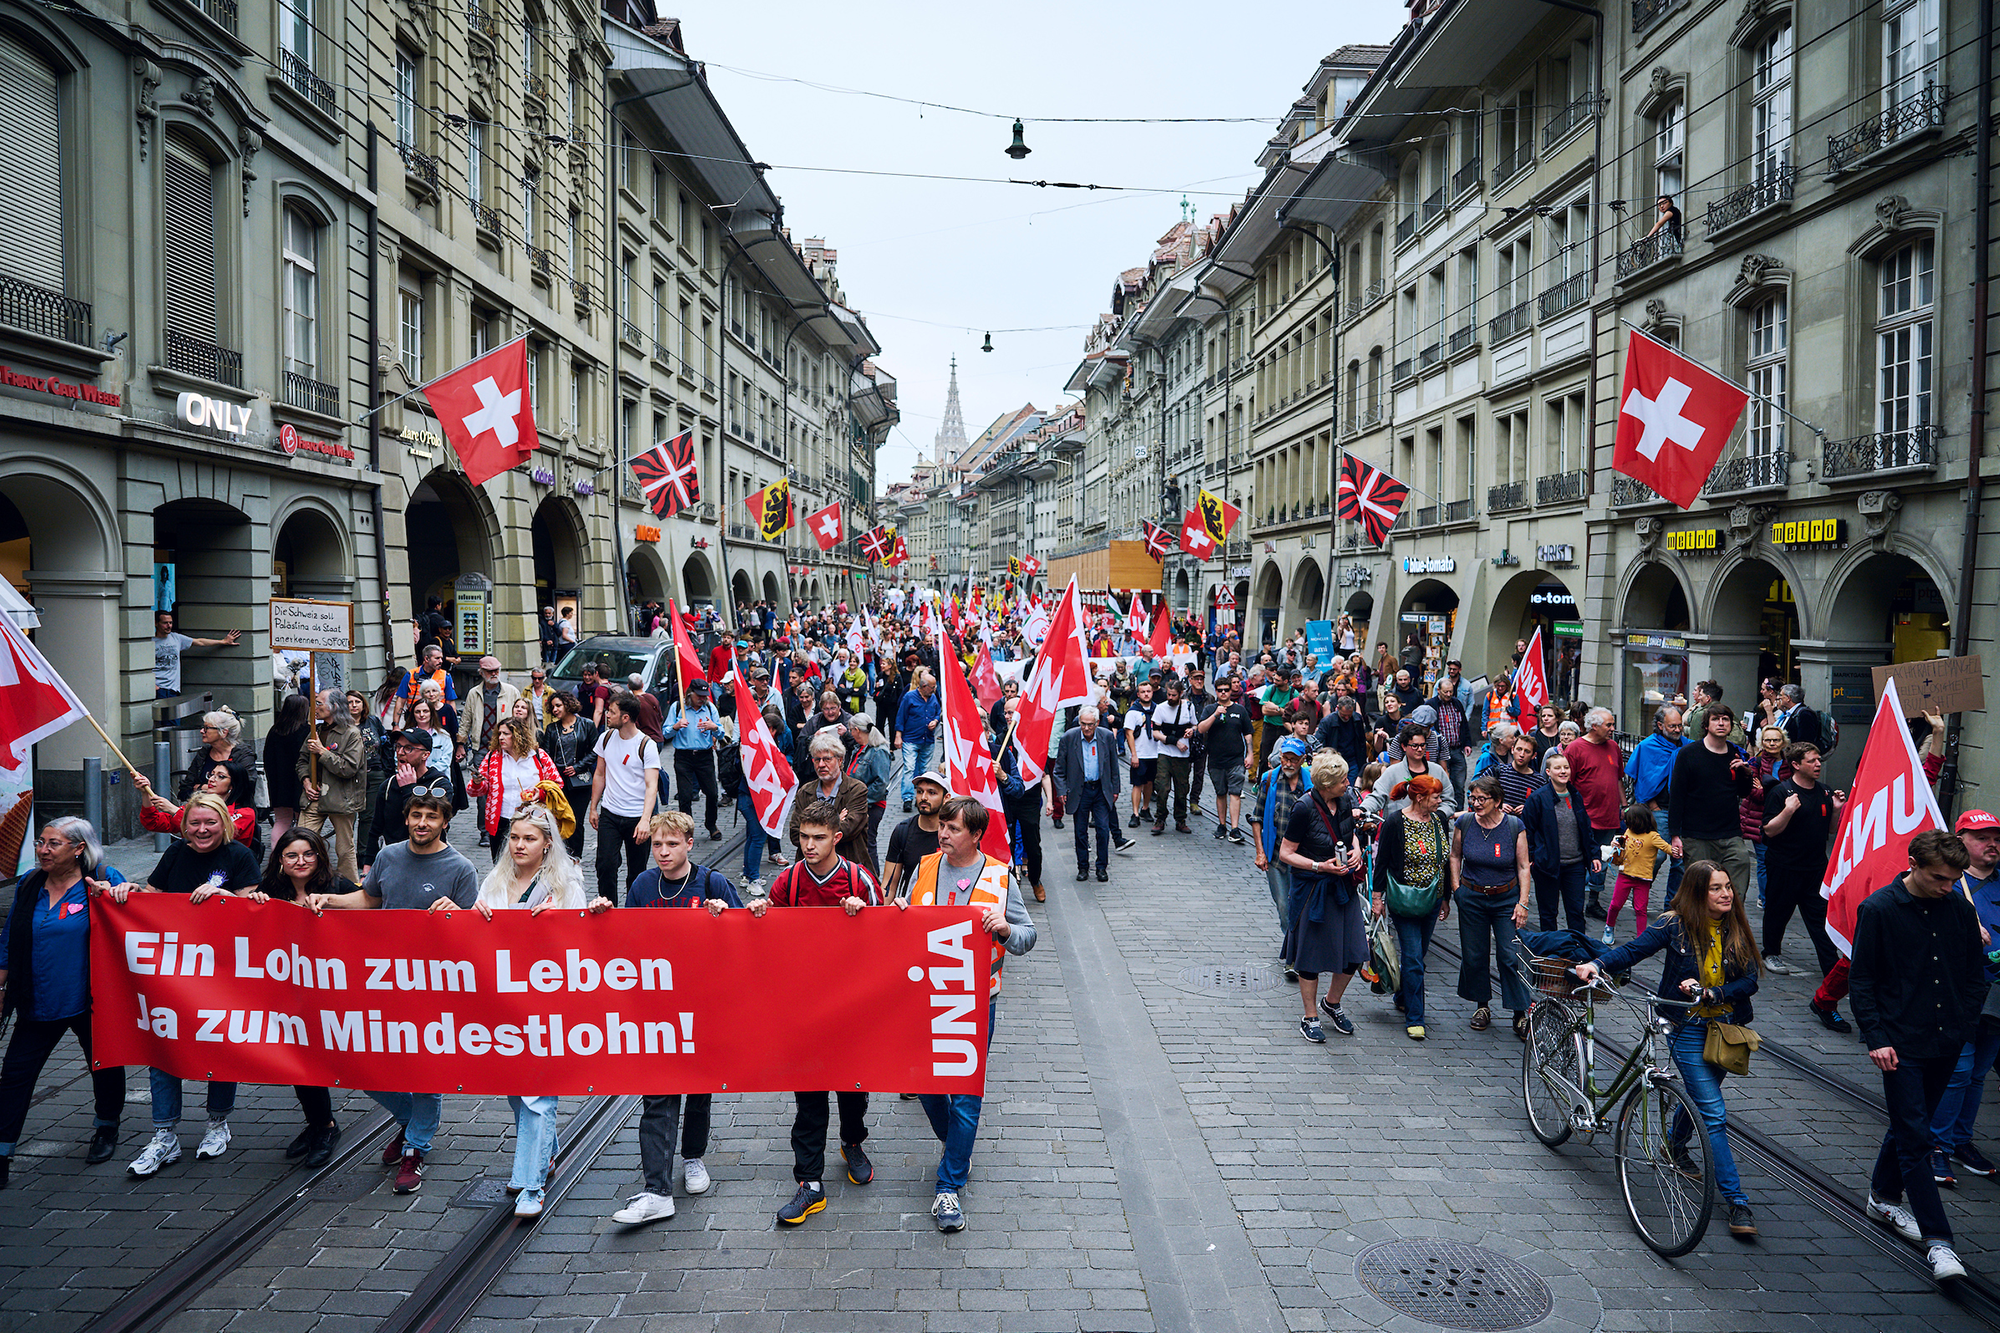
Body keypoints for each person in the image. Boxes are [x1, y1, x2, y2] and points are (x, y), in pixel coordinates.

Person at [305, 787, 480, 1194]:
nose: (423, 823)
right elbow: (370, 899)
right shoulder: (387, 855)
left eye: (431, 817)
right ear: (406, 819)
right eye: (416, 814)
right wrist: (330, 899)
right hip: (385, 980)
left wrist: (460, 915)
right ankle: (410, 1120)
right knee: (365, 1062)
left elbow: (476, 930)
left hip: (435, 987)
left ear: (445, 822)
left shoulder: (461, 868)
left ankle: (415, 1148)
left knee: (425, 1070)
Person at [1576, 861, 1762, 1240]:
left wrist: (1715, 993)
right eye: (1716, 888)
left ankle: (1675, 1144)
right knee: (1713, 1112)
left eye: (1727, 887)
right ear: (1697, 892)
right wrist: (1597, 964)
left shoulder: (1734, 926)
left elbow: (1750, 980)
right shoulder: (1674, 925)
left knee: (1701, 1097)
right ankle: (1737, 1200)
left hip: (1726, 1030)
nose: (1726, 894)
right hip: (1686, 1028)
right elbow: (1633, 950)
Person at [897, 796, 1037, 1232]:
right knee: (923, 1083)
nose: (943, 834)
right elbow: (902, 918)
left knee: (966, 1092)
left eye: (953, 828)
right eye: (942, 825)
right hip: (925, 996)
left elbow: (1027, 936)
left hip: (977, 1000)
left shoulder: (999, 875)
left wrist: (1007, 928)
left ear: (976, 835)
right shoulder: (923, 869)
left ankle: (948, 1187)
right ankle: (958, 1145)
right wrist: (899, 914)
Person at [1849, 830, 1984, 1283]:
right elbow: (1862, 980)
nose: (1948, 886)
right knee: (1916, 1139)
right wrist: (1876, 1037)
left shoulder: (1961, 911)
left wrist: (1965, 1022)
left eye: (1953, 879)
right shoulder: (1879, 910)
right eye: (1939, 878)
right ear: (1912, 864)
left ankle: (1883, 1195)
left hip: (1946, 1039)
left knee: (1914, 1122)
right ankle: (1940, 1243)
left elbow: (1971, 973)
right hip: (1900, 1043)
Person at [453, 805, 588, 1217]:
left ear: (548, 843)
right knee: (516, 1089)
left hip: (546, 1007)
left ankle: (532, 1184)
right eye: (514, 838)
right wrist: (466, 917)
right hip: (503, 1005)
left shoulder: (565, 886)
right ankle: (544, 1149)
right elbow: (477, 937)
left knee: (535, 1096)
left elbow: (582, 947)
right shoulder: (495, 880)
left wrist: (560, 923)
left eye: (529, 838)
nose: (519, 846)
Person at [753, 800, 882, 1226]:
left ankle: (853, 1141)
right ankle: (809, 1182)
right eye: (803, 837)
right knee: (808, 1099)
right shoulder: (787, 882)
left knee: (852, 1089)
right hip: (803, 1009)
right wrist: (757, 917)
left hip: (850, 1008)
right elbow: (765, 937)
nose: (809, 845)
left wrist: (865, 919)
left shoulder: (859, 879)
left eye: (818, 838)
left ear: (836, 838)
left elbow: (888, 939)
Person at [610, 813, 743, 1225]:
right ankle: (656, 1187)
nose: (663, 853)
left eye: (671, 845)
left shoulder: (711, 883)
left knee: (699, 1087)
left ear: (689, 843)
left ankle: (693, 1156)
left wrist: (725, 917)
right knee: (657, 1093)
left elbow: (746, 936)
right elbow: (627, 941)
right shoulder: (643, 886)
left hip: (703, 1005)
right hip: (658, 1008)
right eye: (657, 846)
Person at [121, 793, 263, 1177]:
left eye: (210, 823)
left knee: (219, 1045)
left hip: (223, 974)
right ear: (185, 827)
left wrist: (224, 896)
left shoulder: (239, 857)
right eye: (195, 824)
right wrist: (127, 894)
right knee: (163, 1047)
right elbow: (149, 899)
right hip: (174, 972)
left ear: (224, 824)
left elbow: (255, 912)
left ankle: (218, 1123)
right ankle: (164, 1135)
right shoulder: (175, 854)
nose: (202, 830)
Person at [0, 820, 128, 1188]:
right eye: (41, 842)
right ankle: (2, 1151)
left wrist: (121, 892)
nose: (43, 849)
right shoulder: (29, 884)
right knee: (14, 1077)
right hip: (36, 996)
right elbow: (8, 938)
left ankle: (107, 1126)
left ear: (77, 849)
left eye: (53, 844)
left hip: (91, 997)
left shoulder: (101, 877)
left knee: (104, 1062)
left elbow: (138, 916)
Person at [245, 828, 351, 1167]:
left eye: (308, 854)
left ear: (320, 856)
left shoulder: (340, 888)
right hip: (287, 991)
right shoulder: (269, 891)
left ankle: (325, 1126)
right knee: (296, 1059)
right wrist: (252, 905)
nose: (300, 861)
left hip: (331, 990)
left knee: (314, 1060)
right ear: (279, 860)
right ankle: (319, 1123)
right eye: (291, 855)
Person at [1929, 810, 2000, 1187]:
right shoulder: (1948, 885)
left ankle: (1960, 1140)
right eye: (1982, 837)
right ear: (1960, 842)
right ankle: (1936, 1144)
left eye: (1996, 838)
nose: (1992, 844)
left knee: (1977, 1074)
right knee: (1958, 1072)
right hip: (1959, 996)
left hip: (1997, 999)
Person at [1278, 752, 1365, 1042]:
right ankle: (1310, 1015)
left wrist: (1356, 850)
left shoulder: (1346, 799)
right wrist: (1320, 866)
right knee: (1310, 958)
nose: (1348, 783)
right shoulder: (1303, 808)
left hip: (1343, 888)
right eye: (1342, 780)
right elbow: (1286, 853)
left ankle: (1332, 1002)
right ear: (1326, 784)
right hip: (1314, 890)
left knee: (1354, 954)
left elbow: (1349, 833)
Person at [1371, 774, 1454, 1040]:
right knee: (1414, 959)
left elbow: (1445, 861)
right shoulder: (1396, 822)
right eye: (1436, 797)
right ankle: (1415, 1018)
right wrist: (1377, 897)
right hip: (1405, 901)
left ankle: (1403, 994)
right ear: (1420, 798)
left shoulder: (1439, 820)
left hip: (1432, 900)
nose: (1440, 801)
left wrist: (1446, 898)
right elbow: (1382, 860)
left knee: (1417, 957)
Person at [1452, 774, 1533, 1040]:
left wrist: (1523, 902)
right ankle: (1482, 1006)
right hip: (1472, 897)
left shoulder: (1514, 826)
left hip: (1505, 899)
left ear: (1497, 801)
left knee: (1510, 955)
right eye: (1472, 798)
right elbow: (1454, 855)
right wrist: (1457, 889)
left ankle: (1520, 1012)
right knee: (1474, 955)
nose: (1475, 803)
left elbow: (1523, 866)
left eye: (1481, 799)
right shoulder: (1464, 822)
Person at [1760, 742, 1844, 979]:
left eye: (1819, 760)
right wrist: (1787, 811)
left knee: (1819, 917)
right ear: (1796, 765)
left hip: (1816, 868)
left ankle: (1831, 966)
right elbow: (1769, 830)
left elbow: (1830, 830)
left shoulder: (1825, 792)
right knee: (1778, 911)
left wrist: (1836, 809)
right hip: (1784, 866)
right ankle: (1771, 953)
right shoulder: (1781, 792)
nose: (1818, 764)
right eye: (1811, 761)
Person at [589, 691, 662, 905]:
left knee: (637, 872)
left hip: (637, 816)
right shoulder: (606, 737)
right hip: (610, 814)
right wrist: (594, 807)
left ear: (626, 717)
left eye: (612, 712)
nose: (606, 715)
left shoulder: (646, 745)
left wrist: (645, 821)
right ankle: (607, 906)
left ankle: (633, 911)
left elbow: (651, 786)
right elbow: (600, 774)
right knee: (605, 865)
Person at [1521, 753, 1603, 934]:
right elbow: (1527, 831)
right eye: (1558, 768)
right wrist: (1534, 857)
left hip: (1575, 865)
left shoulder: (1576, 795)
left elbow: (1585, 829)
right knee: (1548, 913)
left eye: (1566, 767)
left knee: (1576, 912)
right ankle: (1551, 954)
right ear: (1548, 772)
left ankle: (1578, 949)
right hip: (1547, 866)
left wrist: (1594, 854)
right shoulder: (1537, 798)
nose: (1563, 771)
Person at [1251, 737, 1312, 978]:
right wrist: (1259, 852)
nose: (1287, 763)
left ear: (1302, 761)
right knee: (1284, 906)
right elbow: (1256, 818)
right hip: (1275, 855)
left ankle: (1294, 955)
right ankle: (1293, 951)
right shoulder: (1269, 779)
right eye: (1285, 758)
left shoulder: (1310, 783)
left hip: (1303, 856)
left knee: (1301, 905)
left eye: (1293, 759)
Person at [295, 689, 367, 885]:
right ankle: (300, 884)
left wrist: (322, 752)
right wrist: (306, 781)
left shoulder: (351, 733)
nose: (315, 708)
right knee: (300, 840)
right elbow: (302, 761)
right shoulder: (315, 731)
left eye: (319, 703)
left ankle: (351, 889)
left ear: (334, 707)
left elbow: (349, 768)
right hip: (314, 796)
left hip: (341, 799)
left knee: (344, 849)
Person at [1055, 707, 1131, 883]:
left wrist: (1115, 789)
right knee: (1080, 832)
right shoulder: (1069, 738)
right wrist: (1061, 791)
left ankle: (1101, 867)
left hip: (1100, 790)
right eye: (1083, 724)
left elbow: (1114, 766)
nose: (1086, 728)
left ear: (1097, 723)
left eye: (1090, 725)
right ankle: (1083, 867)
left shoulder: (1106, 737)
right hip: (1079, 791)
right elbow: (1059, 770)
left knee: (1103, 830)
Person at [471, 717, 562, 864]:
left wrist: (541, 793)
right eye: (499, 733)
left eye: (506, 733)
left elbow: (557, 783)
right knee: (500, 864)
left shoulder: (539, 756)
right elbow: (477, 790)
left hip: (532, 819)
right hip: (501, 819)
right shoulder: (493, 757)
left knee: (529, 862)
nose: (501, 737)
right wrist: (477, 782)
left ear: (518, 735)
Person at [1565, 708, 1625, 921]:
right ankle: (1575, 903)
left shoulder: (1614, 747)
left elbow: (1618, 779)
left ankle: (1593, 902)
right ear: (1594, 726)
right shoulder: (1575, 748)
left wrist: (1624, 807)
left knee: (1604, 861)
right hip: (1584, 818)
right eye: (1608, 725)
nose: (1612, 729)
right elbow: (1565, 784)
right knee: (1581, 861)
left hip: (1609, 817)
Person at [1625, 706, 1689, 905]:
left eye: (1680, 725)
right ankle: (1640, 890)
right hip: (1659, 810)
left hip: (1684, 811)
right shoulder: (1647, 746)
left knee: (1680, 861)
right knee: (1657, 856)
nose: (1678, 730)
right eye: (1672, 726)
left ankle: (1672, 903)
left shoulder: (1688, 746)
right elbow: (1642, 780)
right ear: (1660, 725)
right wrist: (1653, 806)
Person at [367, 729, 451, 864]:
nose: (400, 752)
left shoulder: (440, 784)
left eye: (408, 748)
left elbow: (421, 820)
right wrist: (367, 867)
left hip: (429, 858)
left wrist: (408, 789)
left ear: (425, 755)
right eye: (398, 746)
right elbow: (375, 829)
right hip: (393, 858)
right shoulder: (388, 785)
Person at [994, 702, 1044, 903]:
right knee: (1007, 842)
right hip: (1007, 797)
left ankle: (1035, 880)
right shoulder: (1000, 738)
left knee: (1032, 844)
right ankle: (1009, 885)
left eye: (1011, 712)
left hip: (1029, 797)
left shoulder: (1032, 737)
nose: (1007, 716)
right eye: (1005, 712)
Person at [134, 763, 256, 846]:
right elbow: (153, 822)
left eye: (221, 776)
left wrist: (175, 811)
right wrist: (146, 793)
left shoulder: (244, 813)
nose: (212, 779)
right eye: (211, 774)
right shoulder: (197, 805)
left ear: (233, 785)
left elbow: (220, 836)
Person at [664, 680, 725, 840]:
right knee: (685, 796)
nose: (702, 699)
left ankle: (711, 824)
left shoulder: (710, 708)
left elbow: (722, 734)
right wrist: (676, 726)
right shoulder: (678, 707)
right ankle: (686, 828)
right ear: (690, 693)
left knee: (712, 793)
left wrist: (715, 728)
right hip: (683, 756)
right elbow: (665, 733)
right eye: (699, 695)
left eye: (704, 696)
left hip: (704, 757)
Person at [541, 691, 597, 861]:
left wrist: (578, 767)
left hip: (580, 781)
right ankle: (558, 855)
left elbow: (595, 750)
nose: (555, 710)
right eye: (553, 707)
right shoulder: (552, 729)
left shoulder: (586, 724)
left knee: (576, 820)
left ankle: (575, 856)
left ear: (567, 704)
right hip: (558, 781)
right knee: (558, 818)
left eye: (558, 705)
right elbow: (546, 755)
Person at [1605, 805, 1675, 943]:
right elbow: (1623, 845)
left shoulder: (1653, 836)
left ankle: (1641, 938)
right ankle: (1609, 926)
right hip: (1625, 875)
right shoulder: (1628, 832)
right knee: (1615, 904)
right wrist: (1615, 845)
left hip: (1643, 879)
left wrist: (1678, 851)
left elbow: (1667, 848)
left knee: (1640, 909)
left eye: (1628, 820)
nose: (1625, 823)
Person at [1197, 677, 1253, 844]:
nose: (1223, 693)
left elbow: (1248, 733)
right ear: (1216, 691)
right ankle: (1222, 825)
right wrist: (1215, 714)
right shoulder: (1210, 709)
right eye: (1220, 690)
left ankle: (1235, 829)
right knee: (1220, 792)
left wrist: (1250, 754)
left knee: (1235, 792)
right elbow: (1201, 729)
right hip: (1215, 759)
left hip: (1236, 759)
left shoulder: (1240, 710)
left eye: (1226, 690)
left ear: (1230, 691)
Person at [882, 770, 949, 902]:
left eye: (932, 792)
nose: (924, 797)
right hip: (911, 909)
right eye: (919, 791)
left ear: (946, 798)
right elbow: (889, 884)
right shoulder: (903, 831)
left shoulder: (956, 834)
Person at [179, 709, 255, 809]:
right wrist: (211, 789)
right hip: (201, 811)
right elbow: (184, 790)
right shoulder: (204, 754)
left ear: (223, 732)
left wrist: (201, 788)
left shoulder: (243, 755)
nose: (202, 731)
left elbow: (245, 790)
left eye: (207, 728)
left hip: (233, 815)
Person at [1149, 676, 1196, 834]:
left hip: (1183, 756)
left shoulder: (1189, 707)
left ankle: (1180, 819)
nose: (1170, 698)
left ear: (1181, 694)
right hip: (1165, 753)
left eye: (1173, 695)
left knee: (1182, 789)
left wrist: (1191, 731)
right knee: (1162, 787)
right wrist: (1174, 741)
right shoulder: (1161, 708)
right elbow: (1155, 732)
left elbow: (1195, 724)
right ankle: (1160, 818)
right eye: (1168, 694)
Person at [894, 669, 941, 811]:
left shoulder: (933, 697)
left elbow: (938, 711)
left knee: (924, 771)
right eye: (932, 687)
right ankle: (907, 798)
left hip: (927, 740)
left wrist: (936, 720)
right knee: (909, 768)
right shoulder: (909, 697)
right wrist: (898, 735)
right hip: (911, 739)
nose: (934, 690)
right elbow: (900, 716)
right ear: (924, 686)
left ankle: (920, 797)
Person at [393, 644, 458, 728]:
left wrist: (454, 724)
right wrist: (395, 725)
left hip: (438, 719)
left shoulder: (445, 676)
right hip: (416, 720)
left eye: (441, 658)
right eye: (437, 658)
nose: (441, 661)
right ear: (426, 659)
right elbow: (400, 701)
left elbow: (451, 702)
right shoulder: (410, 675)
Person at [1123, 680, 1159, 831]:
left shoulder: (1158, 709)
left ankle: (1145, 808)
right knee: (1138, 784)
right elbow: (1129, 734)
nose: (1146, 694)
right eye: (1143, 692)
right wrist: (1134, 755)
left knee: (1150, 782)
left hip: (1154, 753)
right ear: (1138, 694)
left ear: (1152, 692)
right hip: (1140, 753)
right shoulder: (1133, 712)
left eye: (1148, 691)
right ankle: (1135, 813)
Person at [1494, 734, 1546, 817]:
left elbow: (1544, 809)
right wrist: (1496, 805)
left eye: (1527, 751)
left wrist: (1530, 808)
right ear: (1512, 749)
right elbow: (1479, 793)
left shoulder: (1539, 782)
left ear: (1533, 756)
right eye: (1519, 749)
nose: (1522, 754)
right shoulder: (1498, 771)